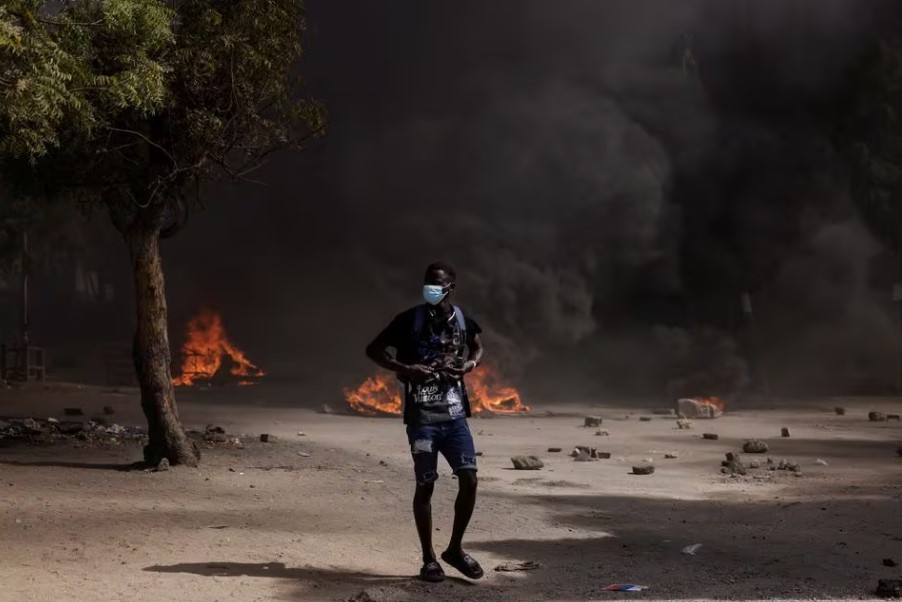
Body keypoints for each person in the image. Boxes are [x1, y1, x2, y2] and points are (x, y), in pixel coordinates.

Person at [365, 261, 485, 582]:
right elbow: (373, 350)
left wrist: (471, 364)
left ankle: (455, 550)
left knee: (470, 479)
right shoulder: (408, 320)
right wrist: (403, 367)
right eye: (428, 282)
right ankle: (429, 559)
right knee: (426, 485)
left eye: (438, 283)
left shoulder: (462, 319)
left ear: (451, 288)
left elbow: (477, 344)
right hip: (422, 419)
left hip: (455, 415)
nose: (431, 288)